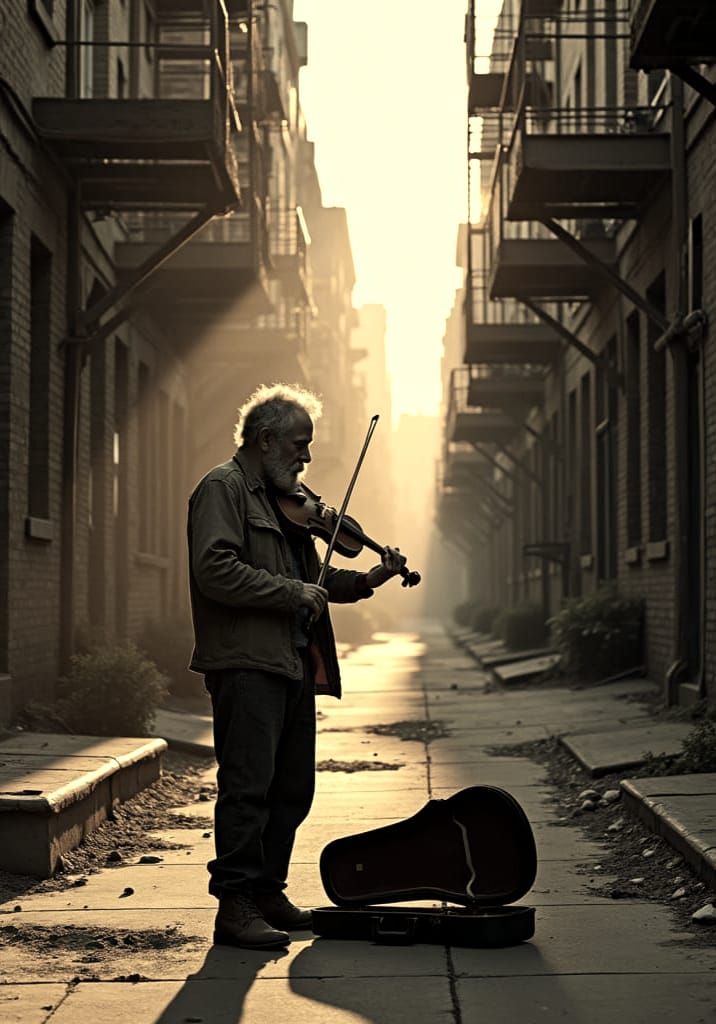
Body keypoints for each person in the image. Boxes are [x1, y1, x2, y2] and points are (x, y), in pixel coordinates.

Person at [187, 383, 406, 950]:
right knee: (247, 787)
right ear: (265, 440)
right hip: (245, 664)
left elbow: (318, 581)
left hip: (289, 664)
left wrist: (367, 580)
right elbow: (215, 570)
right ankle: (233, 907)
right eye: (299, 445)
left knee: (292, 789)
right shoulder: (223, 489)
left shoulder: (289, 504)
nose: (307, 459)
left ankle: (267, 891)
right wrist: (289, 594)